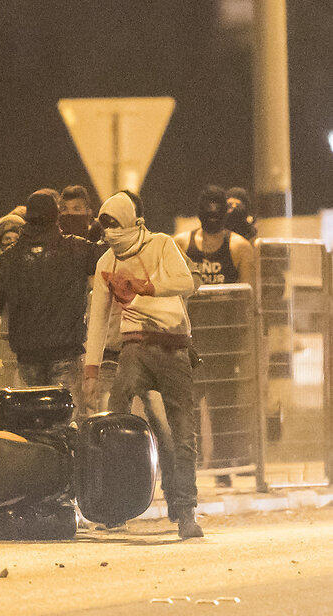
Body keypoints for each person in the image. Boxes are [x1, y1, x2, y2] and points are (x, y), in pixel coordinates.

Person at [84, 191, 204, 538]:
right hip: (134, 346)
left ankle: (186, 510)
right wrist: (91, 369)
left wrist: (146, 287)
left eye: (115, 224)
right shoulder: (106, 262)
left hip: (174, 346)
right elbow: (98, 319)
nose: (109, 232)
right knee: (113, 425)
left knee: (183, 433)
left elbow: (185, 284)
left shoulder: (162, 245)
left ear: (134, 223)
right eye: (104, 225)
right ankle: (114, 508)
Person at [0, 189, 102, 416]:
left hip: (27, 354)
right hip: (66, 351)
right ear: (56, 216)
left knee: (33, 420)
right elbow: (112, 256)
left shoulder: (8, 259)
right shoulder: (77, 249)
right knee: (66, 420)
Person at [174, 185, 254, 487]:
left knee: (224, 407)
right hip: (191, 340)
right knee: (187, 405)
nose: (211, 218)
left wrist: (242, 343)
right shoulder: (182, 244)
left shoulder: (239, 248)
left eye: (216, 211)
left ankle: (222, 467)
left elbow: (248, 300)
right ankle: (189, 465)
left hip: (225, 342)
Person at [174, 185, 253, 286]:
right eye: (209, 215)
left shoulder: (241, 247)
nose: (212, 219)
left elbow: (248, 296)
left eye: (216, 215)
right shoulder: (180, 244)